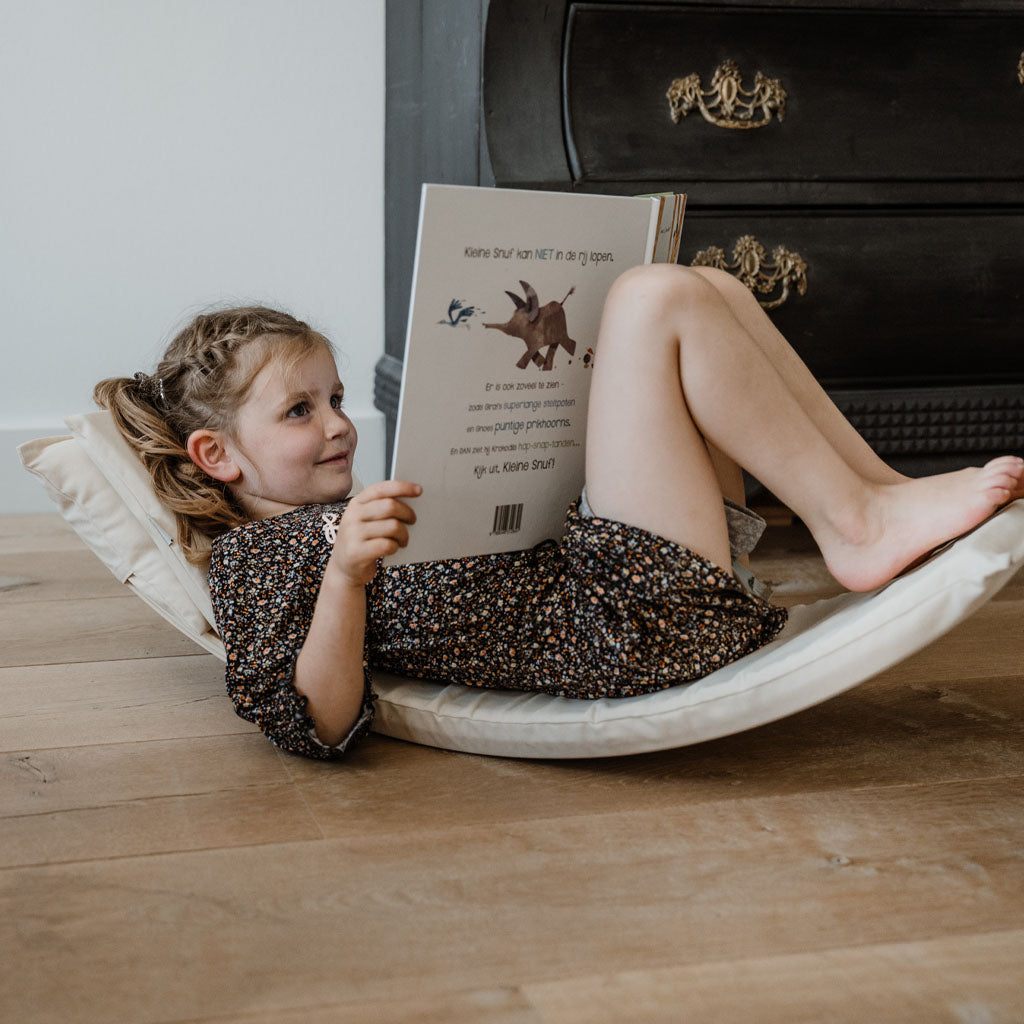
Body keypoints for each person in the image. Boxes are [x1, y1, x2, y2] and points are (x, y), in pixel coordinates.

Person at [94, 265, 1024, 760]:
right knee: (653, 299)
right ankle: (857, 527)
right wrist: (344, 576)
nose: (339, 425)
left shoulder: (363, 501)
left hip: (626, 581)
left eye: (336, 398)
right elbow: (316, 725)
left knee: (711, 288)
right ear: (216, 455)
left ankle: (874, 498)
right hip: (624, 624)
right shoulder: (261, 560)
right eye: (301, 412)